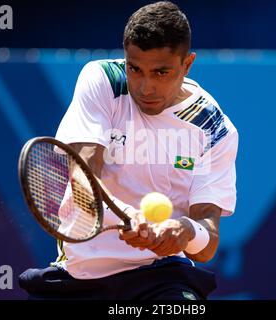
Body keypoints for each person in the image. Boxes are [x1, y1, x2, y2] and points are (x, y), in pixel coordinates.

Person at [19, 1, 238, 300]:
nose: (145, 87)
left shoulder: (214, 128)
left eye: (161, 72)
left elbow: (208, 242)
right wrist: (131, 215)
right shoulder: (103, 81)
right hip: (81, 274)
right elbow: (83, 181)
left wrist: (185, 230)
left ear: (187, 64)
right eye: (135, 68)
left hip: (161, 277)